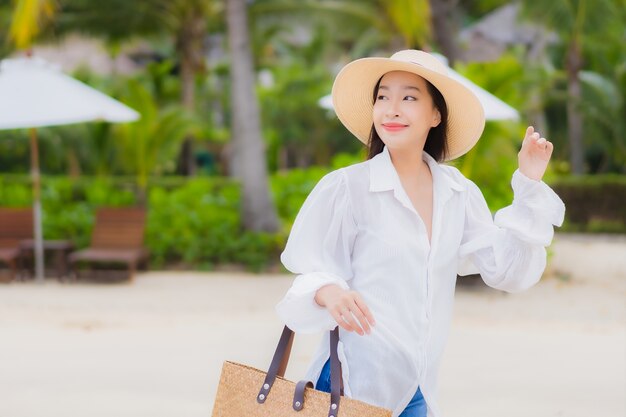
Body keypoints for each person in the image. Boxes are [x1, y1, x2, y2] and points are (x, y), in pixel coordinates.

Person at [275, 50, 565, 417]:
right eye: (383, 97)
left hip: (420, 389)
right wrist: (329, 292)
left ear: (435, 114)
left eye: (409, 97)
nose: (391, 109)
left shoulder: (457, 192)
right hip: (352, 383)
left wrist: (529, 182)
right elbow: (308, 268)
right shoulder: (347, 188)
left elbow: (506, 270)